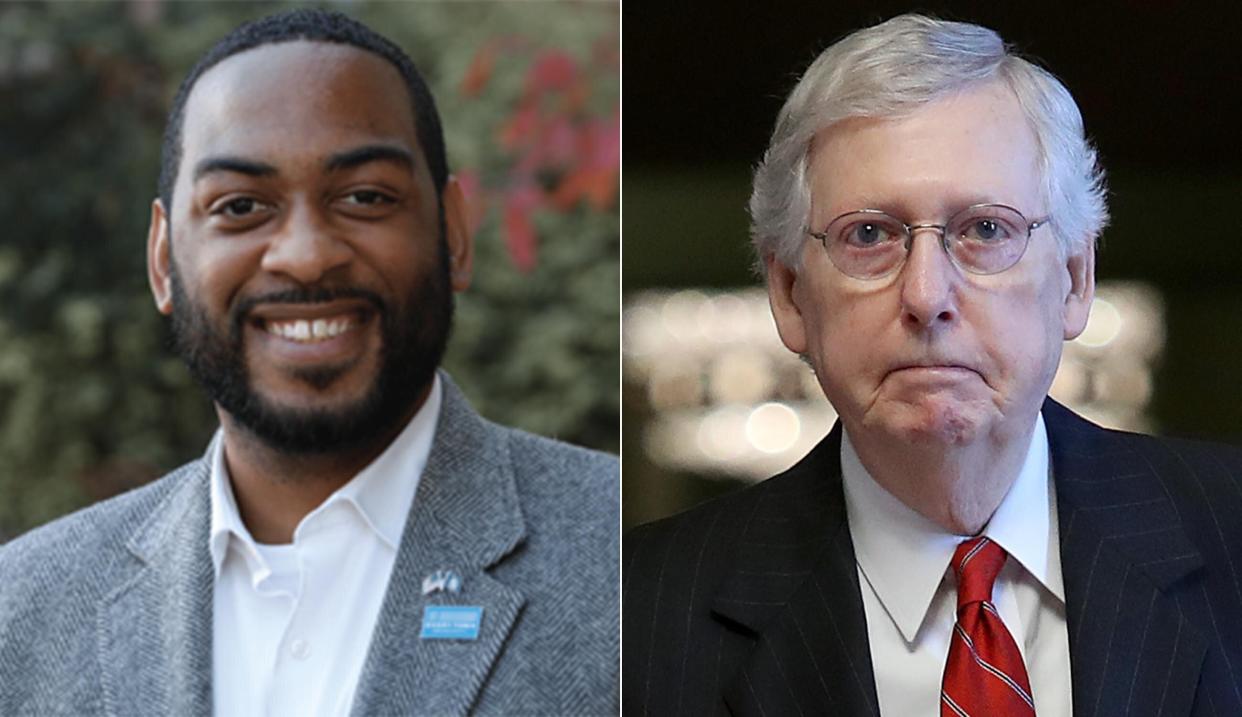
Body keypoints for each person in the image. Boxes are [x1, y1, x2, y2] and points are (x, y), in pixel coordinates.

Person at [0, 9, 617, 716]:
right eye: (240, 206)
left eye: (365, 197)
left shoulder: (618, 564)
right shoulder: (21, 615)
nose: (305, 253)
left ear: (453, 234)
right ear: (164, 260)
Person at [624, 14, 1242, 717]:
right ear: (791, 295)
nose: (925, 295)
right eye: (869, 235)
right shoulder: (636, 614)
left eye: (985, 230)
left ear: (1074, 279)